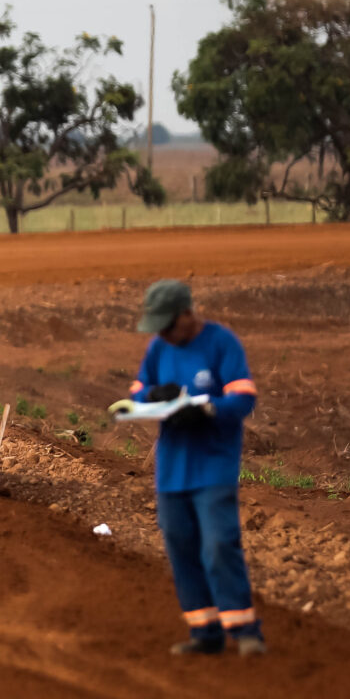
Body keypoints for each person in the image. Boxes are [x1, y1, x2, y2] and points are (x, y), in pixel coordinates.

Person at [130, 279, 264, 657]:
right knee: (181, 546)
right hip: (171, 470)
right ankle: (204, 631)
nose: (163, 334)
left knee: (219, 544)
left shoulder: (222, 343)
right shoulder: (159, 348)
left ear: (188, 314)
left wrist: (205, 408)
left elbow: (242, 398)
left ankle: (244, 630)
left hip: (213, 465)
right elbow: (137, 393)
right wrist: (151, 397)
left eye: (168, 325)